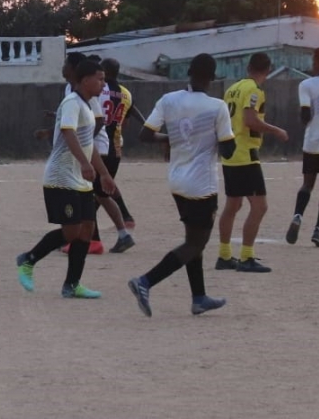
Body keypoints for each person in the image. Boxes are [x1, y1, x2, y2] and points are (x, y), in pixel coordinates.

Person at [127, 54, 233, 317]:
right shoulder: (217, 106)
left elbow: (145, 135)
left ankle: (199, 298)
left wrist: (173, 138)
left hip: (176, 180)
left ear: (188, 72)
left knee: (192, 239)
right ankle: (145, 282)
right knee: (196, 244)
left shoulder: (168, 100)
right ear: (212, 77)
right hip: (201, 185)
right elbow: (229, 151)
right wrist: (230, 131)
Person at [15, 58, 115, 299]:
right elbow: (68, 132)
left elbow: (88, 145)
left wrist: (104, 174)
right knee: (71, 232)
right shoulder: (71, 102)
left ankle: (72, 284)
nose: (103, 84)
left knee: (87, 229)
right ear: (85, 79)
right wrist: (83, 163)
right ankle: (28, 260)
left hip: (80, 179)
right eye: (100, 79)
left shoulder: (89, 106)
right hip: (61, 178)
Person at [216, 52, 288, 272]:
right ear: (267, 70)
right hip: (245, 153)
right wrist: (275, 130)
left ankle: (224, 255)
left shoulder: (232, 89)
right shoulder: (254, 91)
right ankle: (247, 257)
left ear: (248, 67)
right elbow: (250, 120)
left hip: (229, 153)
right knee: (259, 206)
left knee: (233, 205)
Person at [100, 57, 139, 237]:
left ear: (105, 72)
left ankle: (84, 234)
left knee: (96, 190)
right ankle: (126, 216)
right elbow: (126, 122)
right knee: (107, 184)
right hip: (115, 145)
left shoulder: (99, 90)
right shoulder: (127, 94)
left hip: (98, 145)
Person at [288, 47, 319, 246]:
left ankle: (298, 216)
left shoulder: (306, 84)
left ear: (317, 62)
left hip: (312, 142)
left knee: (307, 184)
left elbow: (305, 115)